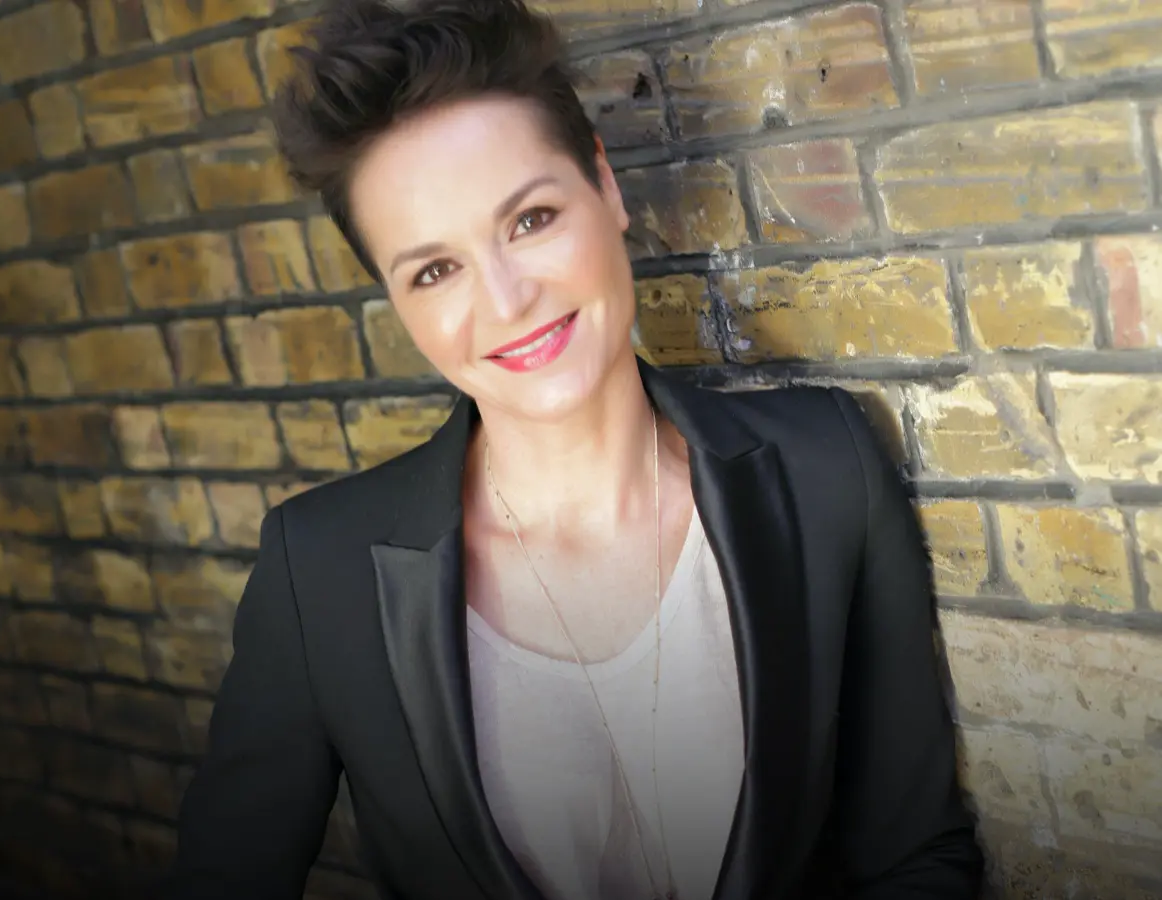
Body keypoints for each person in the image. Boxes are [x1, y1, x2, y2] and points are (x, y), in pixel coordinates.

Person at [165, 1, 984, 898]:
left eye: (530, 220)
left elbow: (917, 859)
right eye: (435, 270)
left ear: (606, 186)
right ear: (396, 303)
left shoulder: (824, 467)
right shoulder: (316, 575)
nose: (508, 298)